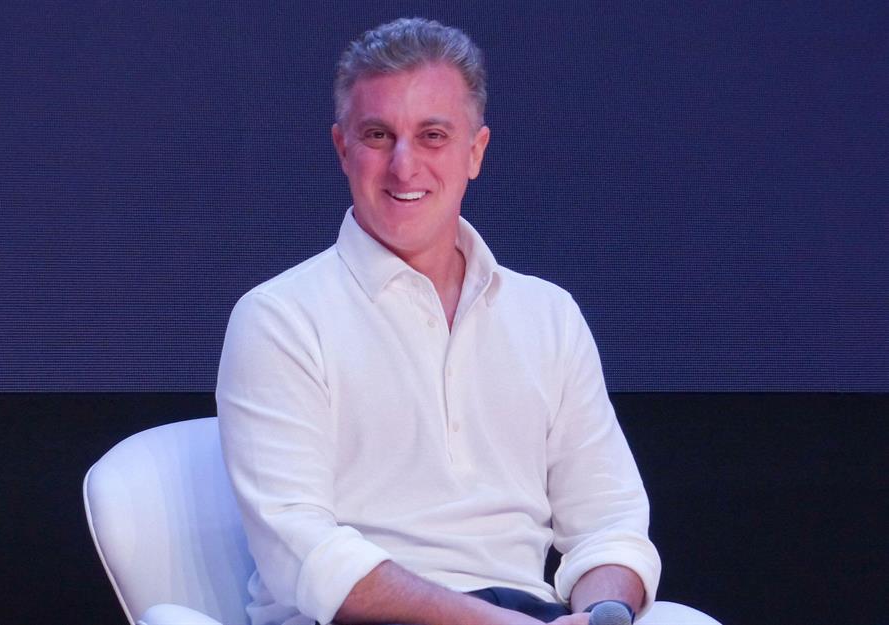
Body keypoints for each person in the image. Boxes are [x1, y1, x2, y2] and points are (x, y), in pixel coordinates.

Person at [217, 17, 660, 625]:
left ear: (475, 151)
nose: (404, 167)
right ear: (342, 148)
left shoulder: (549, 316)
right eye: (378, 135)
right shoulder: (279, 319)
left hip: (529, 612)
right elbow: (305, 555)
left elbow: (609, 526)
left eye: (432, 136)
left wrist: (605, 615)